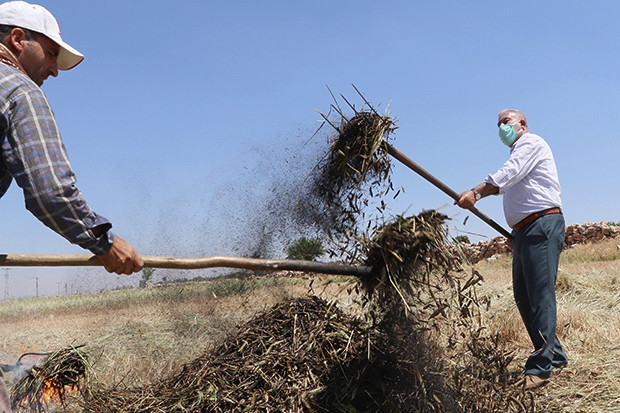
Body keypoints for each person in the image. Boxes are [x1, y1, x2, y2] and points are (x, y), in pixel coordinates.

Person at [0, 2, 144, 410]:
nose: (55, 69)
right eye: (49, 53)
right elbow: (51, 192)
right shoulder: (17, 89)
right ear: (16, 40)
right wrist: (105, 242)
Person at [455, 109, 568, 391]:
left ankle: (541, 368)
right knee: (523, 295)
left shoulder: (530, 143)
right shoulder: (518, 150)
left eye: (505, 122)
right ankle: (554, 354)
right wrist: (517, 232)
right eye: (498, 125)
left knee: (540, 294)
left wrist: (476, 192)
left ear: (522, 124)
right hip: (525, 232)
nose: (501, 128)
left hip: (541, 224)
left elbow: (508, 174)